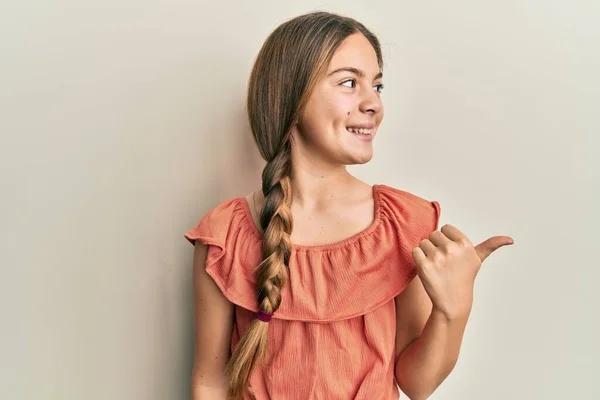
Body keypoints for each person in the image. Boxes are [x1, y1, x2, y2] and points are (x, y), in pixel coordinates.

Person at [184, 11, 513, 400]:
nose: (373, 102)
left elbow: (417, 383)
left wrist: (454, 308)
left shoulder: (403, 224)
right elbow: (210, 381)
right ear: (292, 92)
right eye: (349, 82)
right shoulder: (225, 235)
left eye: (377, 85)